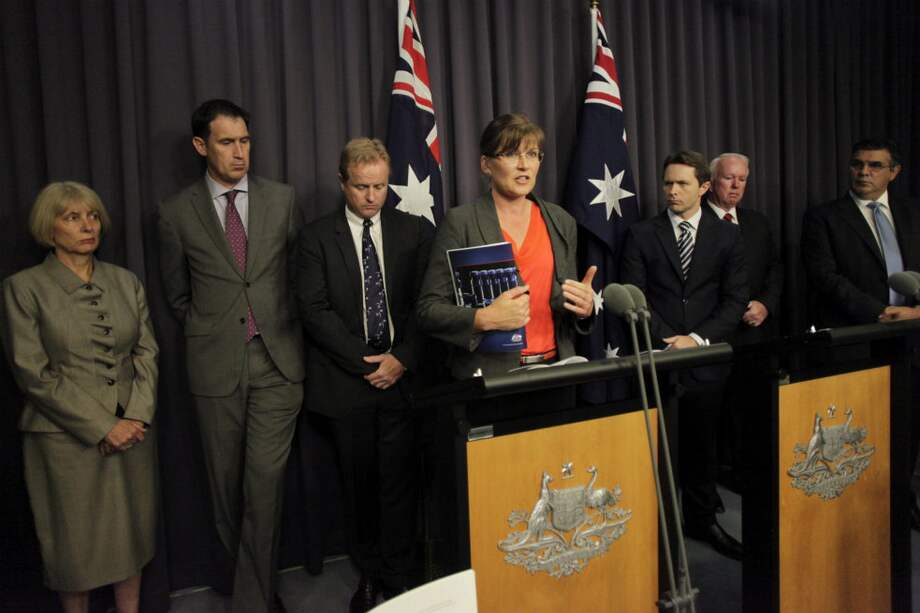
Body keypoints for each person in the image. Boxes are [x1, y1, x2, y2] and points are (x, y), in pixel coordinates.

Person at [158, 99, 304, 613]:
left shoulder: (283, 199)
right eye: (226, 142)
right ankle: (256, 589)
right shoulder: (175, 212)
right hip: (215, 366)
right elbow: (177, 296)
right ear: (202, 146)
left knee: (263, 487)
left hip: (278, 363)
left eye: (245, 140)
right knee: (225, 492)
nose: (239, 152)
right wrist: (214, 331)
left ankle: (252, 602)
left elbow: (298, 278)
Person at [0, 182, 159, 613]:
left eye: (91, 216)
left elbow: (147, 352)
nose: (87, 226)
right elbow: (32, 372)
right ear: (48, 228)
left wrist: (137, 417)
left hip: (134, 434)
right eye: (72, 217)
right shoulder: (24, 288)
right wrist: (104, 426)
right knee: (75, 548)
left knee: (133, 535)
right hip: (64, 441)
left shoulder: (125, 282)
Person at [296, 138, 434, 613]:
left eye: (379, 186)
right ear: (342, 183)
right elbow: (315, 312)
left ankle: (401, 578)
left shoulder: (415, 232)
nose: (372, 196)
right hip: (346, 384)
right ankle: (371, 577)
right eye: (361, 187)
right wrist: (368, 363)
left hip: (404, 379)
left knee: (400, 485)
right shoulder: (315, 238)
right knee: (361, 490)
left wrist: (402, 359)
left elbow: (426, 306)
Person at [620, 150, 748, 560]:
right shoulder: (642, 234)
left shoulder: (728, 235)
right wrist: (667, 340)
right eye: (667, 184)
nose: (672, 191)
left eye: (682, 184)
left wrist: (695, 339)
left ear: (704, 187)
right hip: (657, 360)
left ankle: (702, 520)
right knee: (655, 452)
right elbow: (633, 297)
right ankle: (653, 534)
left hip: (706, 362)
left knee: (702, 448)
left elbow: (734, 301)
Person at [416, 113, 596, 379]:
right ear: (486, 164)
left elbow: (564, 303)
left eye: (533, 154)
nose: (524, 165)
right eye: (512, 154)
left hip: (556, 373)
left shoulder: (561, 220)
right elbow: (428, 310)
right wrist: (483, 319)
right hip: (491, 377)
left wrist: (584, 309)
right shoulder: (461, 222)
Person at [801, 138, 920, 527]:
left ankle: (903, 500)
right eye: (857, 165)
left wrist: (915, 311)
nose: (864, 173)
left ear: (893, 172)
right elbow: (824, 277)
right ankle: (857, 506)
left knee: (906, 425)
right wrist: (881, 311)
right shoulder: (824, 217)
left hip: (910, 335)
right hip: (855, 339)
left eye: (874, 166)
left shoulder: (911, 212)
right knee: (859, 430)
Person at [706, 153, 783, 490]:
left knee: (750, 405)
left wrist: (765, 304)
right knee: (714, 411)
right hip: (713, 334)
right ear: (710, 182)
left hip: (754, 332)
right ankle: (714, 472)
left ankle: (742, 468)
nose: (736, 185)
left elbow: (774, 269)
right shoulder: (696, 222)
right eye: (728, 178)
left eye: (742, 179)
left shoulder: (757, 222)